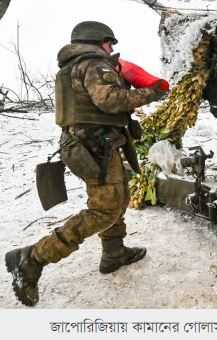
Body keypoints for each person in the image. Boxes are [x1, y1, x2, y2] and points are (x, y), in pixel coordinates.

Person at [4, 21, 167, 307]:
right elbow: (110, 100)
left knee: (118, 197)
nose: (112, 48)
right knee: (104, 209)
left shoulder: (70, 67)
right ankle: (32, 258)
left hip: (88, 144)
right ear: (97, 40)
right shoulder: (93, 63)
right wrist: (151, 92)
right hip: (94, 147)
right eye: (109, 43)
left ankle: (114, 253)